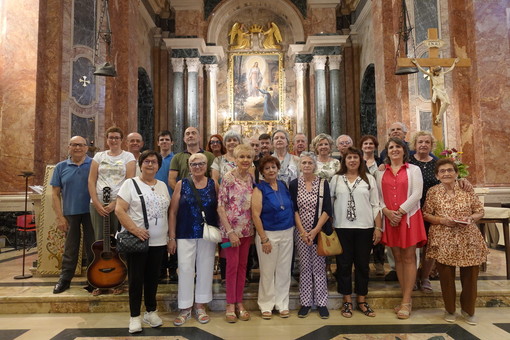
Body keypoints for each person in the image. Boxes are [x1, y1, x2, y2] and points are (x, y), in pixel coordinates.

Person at [422, 158, 487, 325]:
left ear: (456, 173)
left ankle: (468, 310)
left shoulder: (466, 189)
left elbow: (480, 211)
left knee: (471, 276)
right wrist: (443, 220)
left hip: (468, 237)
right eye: (442, 171)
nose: (446, 173)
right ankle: (450, 309)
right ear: (437, 175)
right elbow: (426, 214)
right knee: (446, 276)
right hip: (443, 237)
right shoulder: (433, 192)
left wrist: (470, 218)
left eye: (450, 170)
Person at [115, 150, 170, 334]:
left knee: (153, 279)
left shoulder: (162, 185)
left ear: (158, 166)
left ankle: (151, 311)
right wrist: (135, 230)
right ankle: (134, 316)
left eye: (154, 162)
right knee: (136, 280)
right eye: (146, 161)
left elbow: (167, 212)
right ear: (140, 164)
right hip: (138, 240)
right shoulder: (130, 184)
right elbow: (119, 210)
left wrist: (169, 237)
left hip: (159, 242)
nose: (150, 164)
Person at [376, 137, 427, 319]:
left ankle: (406, 300)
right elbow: (378, 197)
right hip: (390, 219)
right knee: (397, 257)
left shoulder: (414, 169)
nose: (394, 150)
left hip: (409, 218)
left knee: (408, 257)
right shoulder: (380, 172)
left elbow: (417, 194)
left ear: (404, 151)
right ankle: (405, 297)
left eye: (398, 147)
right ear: (387, 152)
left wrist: (400, 211)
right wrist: (387, 212)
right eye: (391, 147)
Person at [330, 147, 382, 318]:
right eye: (349, 157)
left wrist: (378, 228)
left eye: (355, 157)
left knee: (362, 265)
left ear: (361, 160)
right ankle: (346, 300)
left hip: (364, 228)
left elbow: (376, 205)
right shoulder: (336, 179)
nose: (352, 160)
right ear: (344, 161)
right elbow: (329, 205)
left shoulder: (369, 179)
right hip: (342, 227)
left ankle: (361, 299)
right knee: (343, 265)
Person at [168, 153, 219, 326]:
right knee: (185, 269)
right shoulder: (182, 184)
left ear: (206, 166)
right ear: (189, 166)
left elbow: (220, 209)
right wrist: (172, 237)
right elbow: (173, 212)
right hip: (184, 233)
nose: (197, 167)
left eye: (201, 164)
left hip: (207, 234)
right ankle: (185, 308)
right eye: (194, 164)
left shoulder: (213, 184)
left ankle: (200, 306)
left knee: (206, 269)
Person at [51, 136, 95, 294]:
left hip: (92, 212)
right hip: (70, 213)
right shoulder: (60, 167)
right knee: (70, 249)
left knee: (93, 248)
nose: (78, 148)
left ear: (86, 148)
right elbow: (55, 194)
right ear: (68, 147)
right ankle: (65, 279)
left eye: (81, 145)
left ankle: (94, 279)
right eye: (74, 145)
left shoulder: (94, 164)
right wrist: (59, 216)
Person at [251, 155, 294, 319]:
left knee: (283, 271)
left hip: (287, 232)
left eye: (273, 167)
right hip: (268, 233)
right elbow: (255, 215)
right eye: (267, 168)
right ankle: (266, 304)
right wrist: (263, 238)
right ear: (262, 172)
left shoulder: (283, 185)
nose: (271, 170)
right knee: (268, 271)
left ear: (278, 169)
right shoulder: (259, 188)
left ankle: (282, 303)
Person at [289, 152, 331, 319]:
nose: (306, 165)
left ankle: (322, 303)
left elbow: (327, 209)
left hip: (318, 231)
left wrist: (315, 230)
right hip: (301, 232)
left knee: (319, 268)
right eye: (304, 163)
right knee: (305, 267)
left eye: (309, 163)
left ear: (315, 165)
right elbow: (294, 209)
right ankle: (305, 302)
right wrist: (302, 231)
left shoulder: (322, 183)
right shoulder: (293, 184)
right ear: (300, 166)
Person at [218, 144, 255, 323]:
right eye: (242, 157)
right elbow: (220, 207)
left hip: (247, 230)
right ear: (236, 158)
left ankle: (239, 301)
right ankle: (230, 304)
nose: (245, 160)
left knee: (242, 267)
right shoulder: (228, 178)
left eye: (248, 157)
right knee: (232, 267)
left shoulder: (251, 178)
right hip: (230, 232)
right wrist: (231, 232)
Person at [88, 126, 136, 241]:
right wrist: (96, 203)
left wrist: (115, 203)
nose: (113, 140)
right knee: (99, 239)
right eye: (111, 137)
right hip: (98, 203)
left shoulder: (128, 156)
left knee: (119, 238)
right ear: (107, 139)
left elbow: (129, 181)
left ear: (121, 140)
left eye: (116, 138)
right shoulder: (99, 156)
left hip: (120, 203)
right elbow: (91, 180)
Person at [408, 131, 439, 293]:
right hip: (412, 210)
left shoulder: (437, 163)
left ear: (431, 145)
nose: (423, 145)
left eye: (427, 142)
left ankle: (425, 277)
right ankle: (412, 277)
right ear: (415, 144)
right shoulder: (409, 162)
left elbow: (449, 178)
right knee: (412, 246)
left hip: (432, 211)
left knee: (429, 246)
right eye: (420, 142)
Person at [360, 135, 385, 276]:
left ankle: (379, 262)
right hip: (363, 200)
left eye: (371, 144)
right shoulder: (357, 161)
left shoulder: (381, 162)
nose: (368, 146)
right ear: (362, 146)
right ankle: (364, 264)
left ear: (375, 147)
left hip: (378, 198)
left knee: (378, 229)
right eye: (365, 144)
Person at [154, 130, 175, 282]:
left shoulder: (176, 159)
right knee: (160, 235)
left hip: (173, 201)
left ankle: (173, 269)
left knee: (173, 235)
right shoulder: (153, 159)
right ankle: (160, 269)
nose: (164, 142)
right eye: (161, 140)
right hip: (156, 203)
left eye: (167, 139)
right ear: (158, 143)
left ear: (172, 142)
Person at [412, 58, 460, 124]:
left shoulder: (442, 74)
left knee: (448, 103)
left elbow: (450, 69)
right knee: (445, 102)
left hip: (443, 90)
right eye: (439, 71)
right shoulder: (432, 75)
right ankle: (438, 116)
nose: (440, 72)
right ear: (436, 72)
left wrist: (454, 63)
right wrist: (416, 63)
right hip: (438, 91)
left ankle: (439, 116)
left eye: (440, 71)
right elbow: (423, 71)